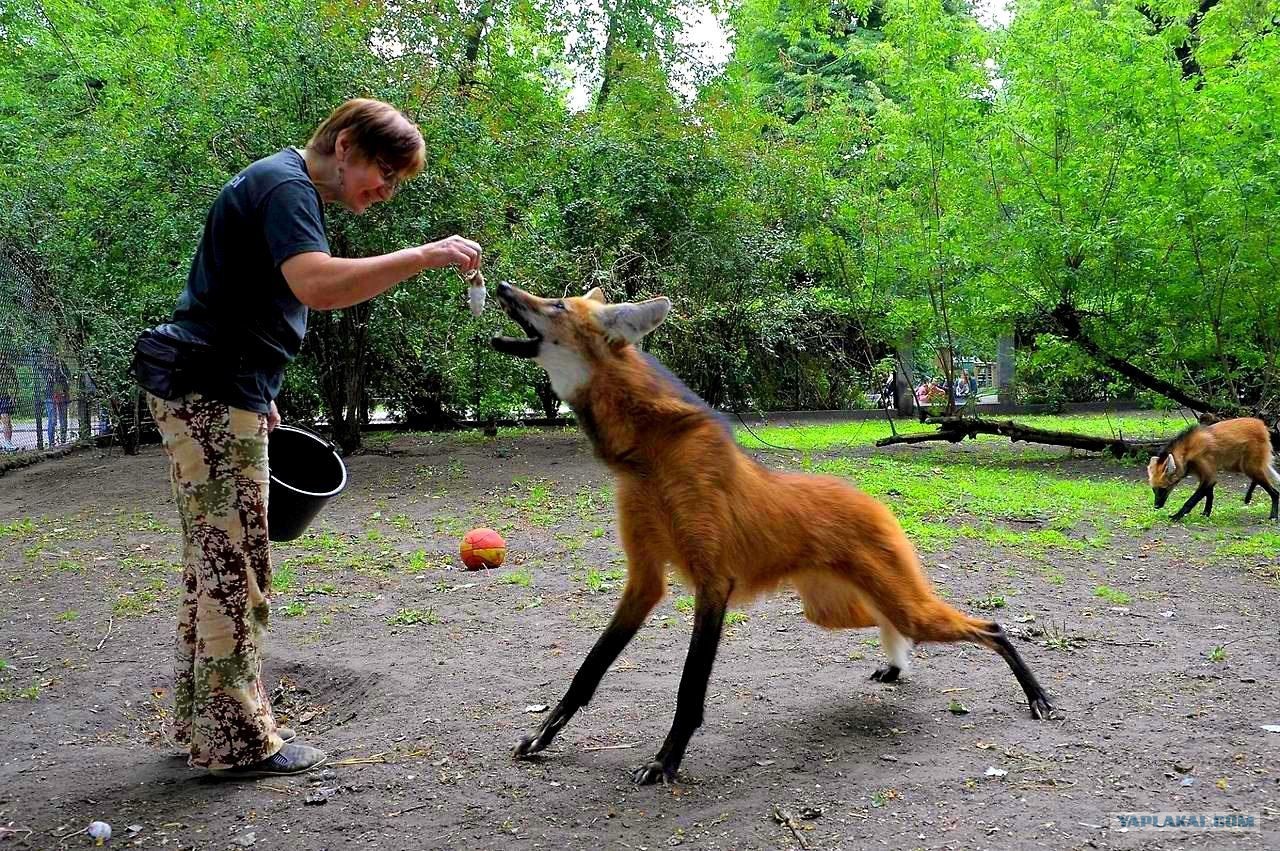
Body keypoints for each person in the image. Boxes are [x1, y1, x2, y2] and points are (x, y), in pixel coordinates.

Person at [131, 99, 483, 779]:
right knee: (236, 566)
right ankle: (239, 743)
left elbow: (238, 300)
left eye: (395, 183)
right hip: (208, 392)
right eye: (383, 173)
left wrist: (258, 393)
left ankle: (202, 722)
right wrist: (427, 254)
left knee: (214, 560)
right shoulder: (289, 186)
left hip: (216, 387)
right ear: (345, 144)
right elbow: (316, 286)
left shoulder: (276, 183)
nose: (383, 191)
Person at [42, 354, 70, 447]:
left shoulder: (61, 364)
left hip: (62, 393)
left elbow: (67, 375)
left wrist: (60, 371)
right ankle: (51, 442)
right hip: (50, 395)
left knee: (63, 418)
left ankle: (63, 440)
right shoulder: (43, 366)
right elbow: (43, 380)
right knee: (52, 419)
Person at [0, 354, 18, 451]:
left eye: (4, 356)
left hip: (4, 396)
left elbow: (15, 383)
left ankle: (8, 443)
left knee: (6, 419)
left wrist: (14, 396)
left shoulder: (8, 368)